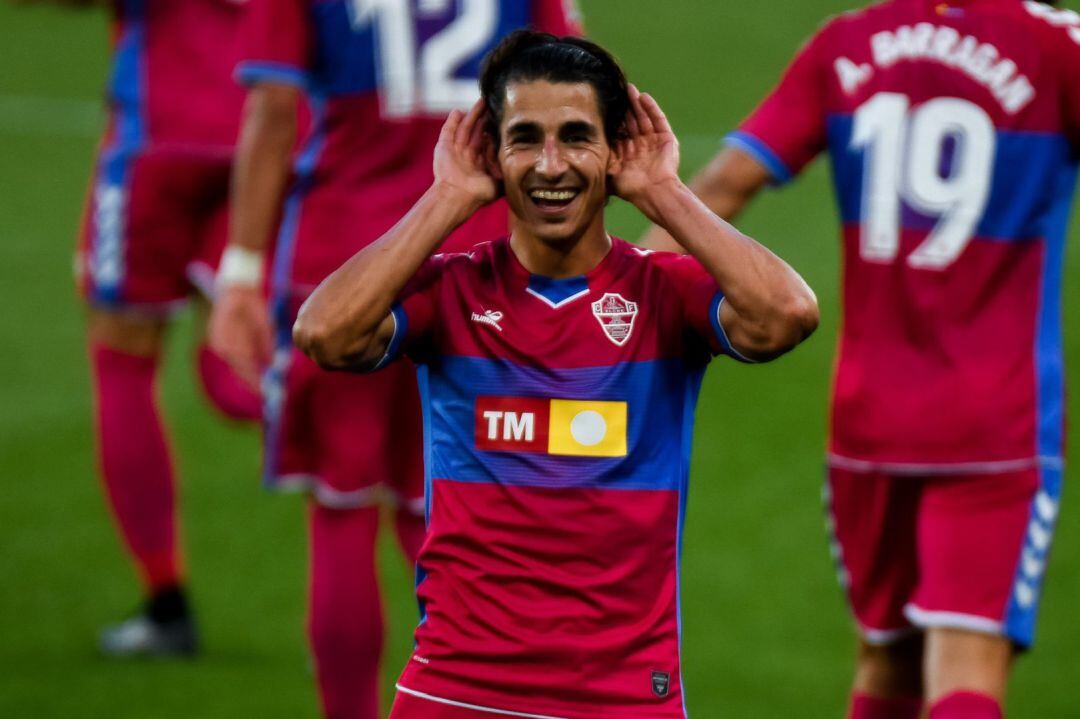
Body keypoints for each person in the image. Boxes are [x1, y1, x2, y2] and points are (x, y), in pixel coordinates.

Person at [293, 30, 819, 719]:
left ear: (614, 150)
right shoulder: (450, 293)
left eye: (576, 136)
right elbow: (325, 332)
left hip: (622, 696)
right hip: (455, 689)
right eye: (523, 138)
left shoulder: (664, 295)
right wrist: (447, 199)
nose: (550, 165)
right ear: (492, 152)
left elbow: (787, 313)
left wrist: (663, 193)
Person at [642, 1, 1080, 717]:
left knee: (888, 658)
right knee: (967, 658)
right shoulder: (1055, 47)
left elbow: (724, 185)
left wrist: (611, 317)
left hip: (867, 421)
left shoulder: (850, 42)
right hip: (996, 421)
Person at [209, 3, 581, 717]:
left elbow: (273, 107)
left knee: (342, 511)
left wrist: (240, 272)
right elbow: (578, 84)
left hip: (345, 265)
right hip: (490, 268)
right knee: (470, 518)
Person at [40, 0, 262, 657]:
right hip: (267, 127)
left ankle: (166, 602)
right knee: (253, 365)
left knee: (122, 356)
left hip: (155, 138)